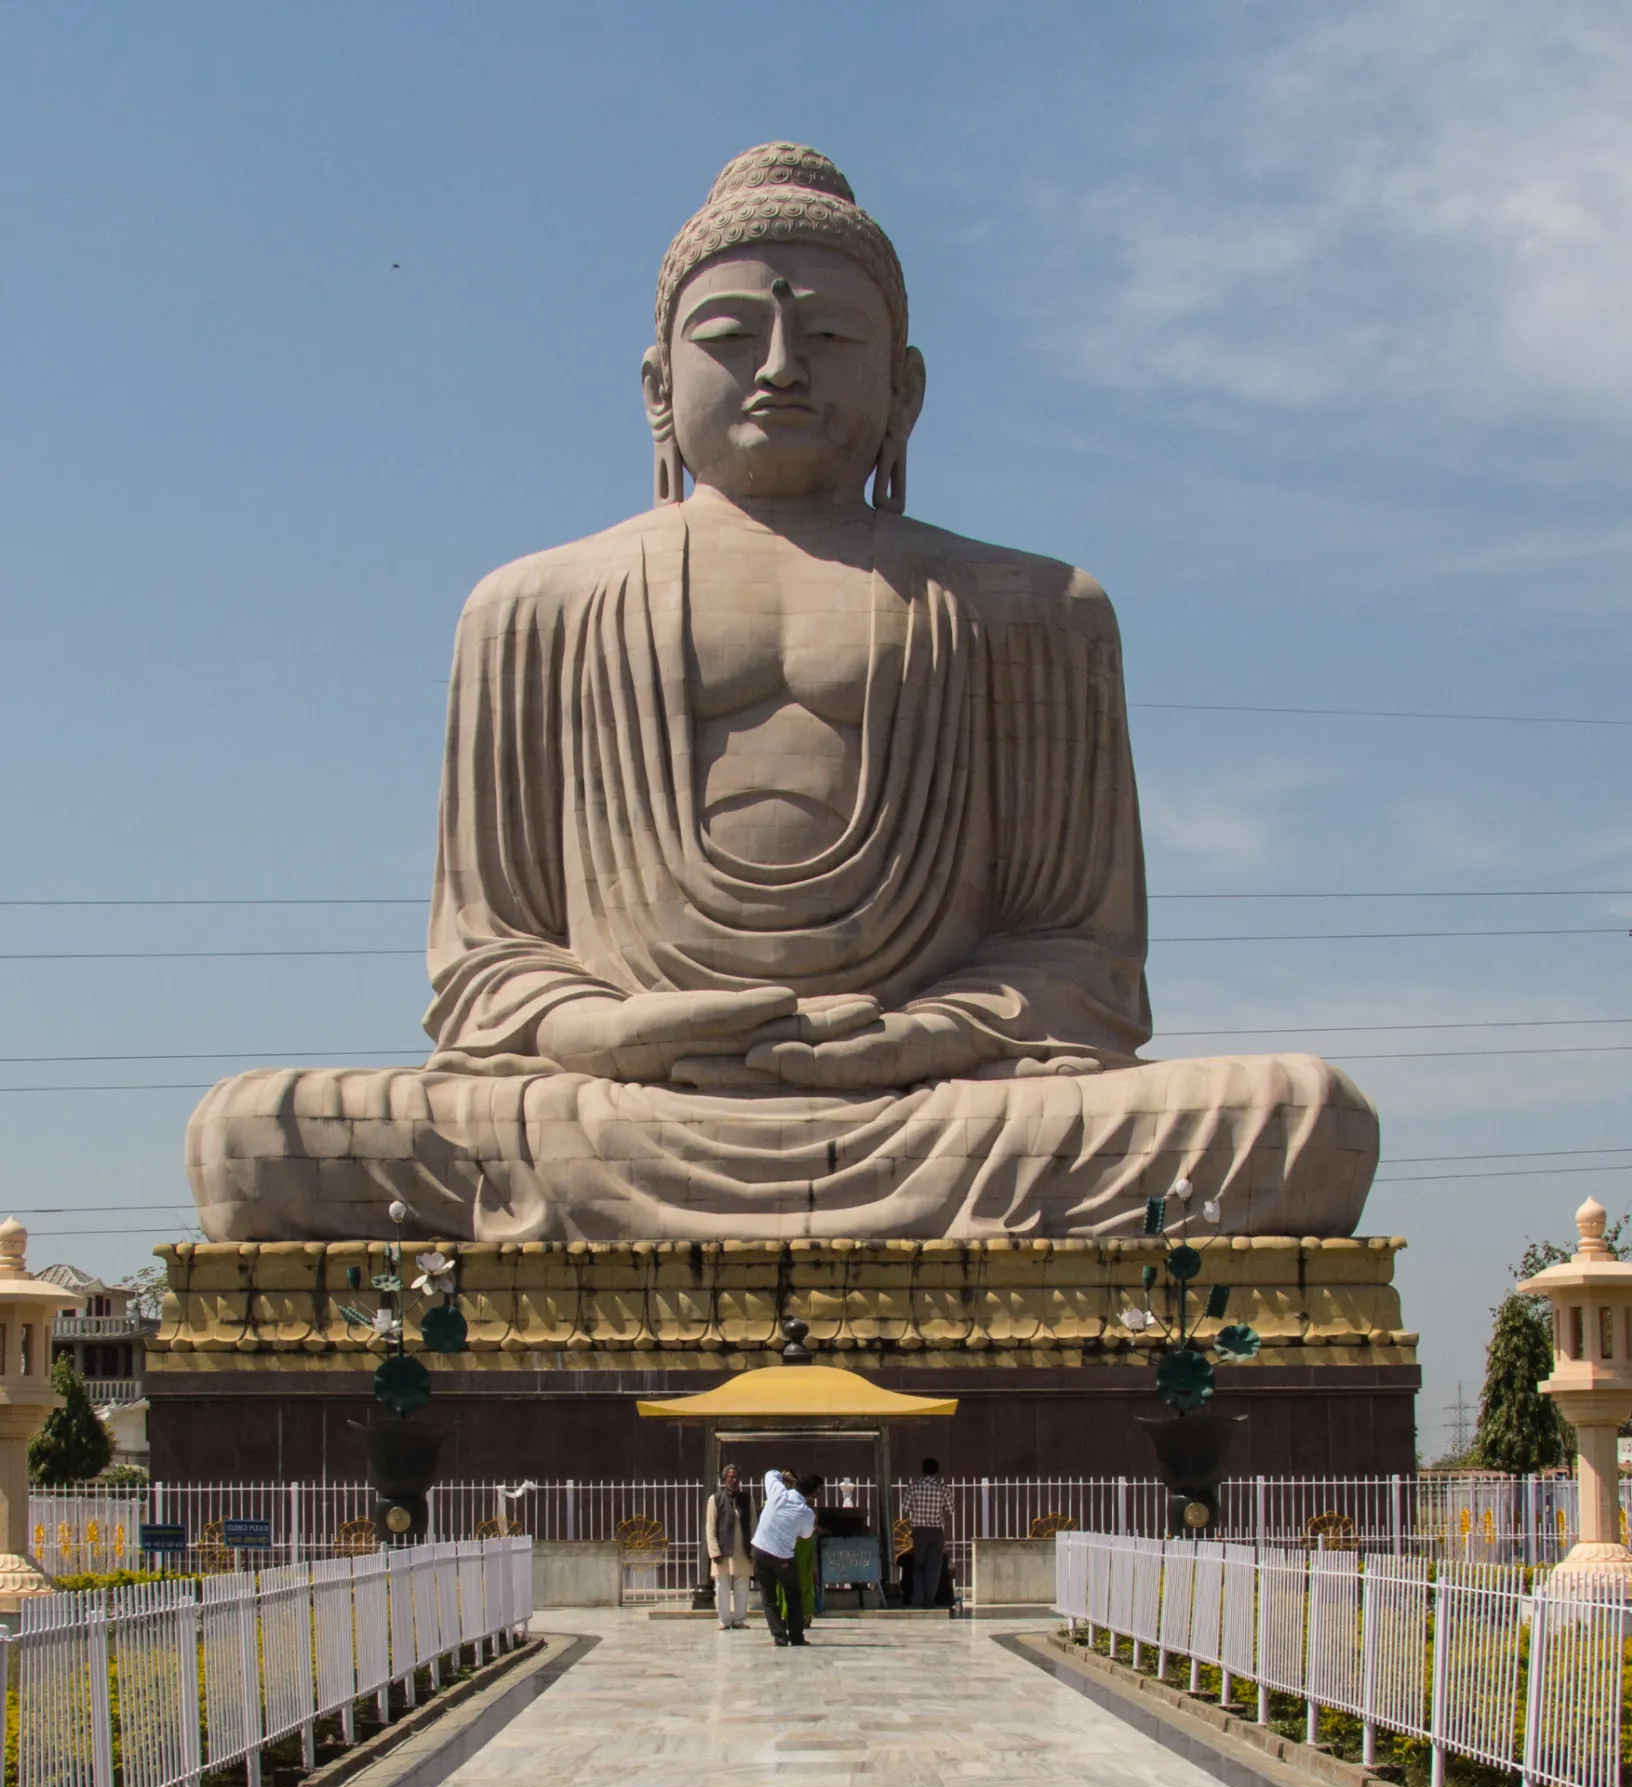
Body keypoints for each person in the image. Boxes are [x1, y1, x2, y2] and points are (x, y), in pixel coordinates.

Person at [188, 140, 1378, 1247]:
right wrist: (610, 1030)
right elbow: (490, 961)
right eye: (728, 335)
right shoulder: (529, 607)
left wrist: (913, 1039)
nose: (778, 368)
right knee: (251, 1140)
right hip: (619, 1103)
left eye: (829, 340)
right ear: (658, 385)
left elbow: (1080, 960)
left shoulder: (1039, 608)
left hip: (936, 1108)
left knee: (1303, 1119)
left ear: (905, 389)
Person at [751, 1467, 822, 1646]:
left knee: (768, 1598)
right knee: (793, 1595)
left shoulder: (778, 1493)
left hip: (759, 1551)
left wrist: (785, 1478)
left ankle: (780, 1637)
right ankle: (797, 1637)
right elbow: (806, 1535)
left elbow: (769, 1474)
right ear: (811, 1494)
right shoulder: (806, 1512)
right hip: (782, 1557)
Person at [705, 1462, 757, 1629]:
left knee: (742, 1586)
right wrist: (714, 1551)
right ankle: (724, 1620)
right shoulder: (715, 1499)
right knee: (722, 1587)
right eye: (731, 1477)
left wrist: (753, 1549)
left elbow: (754, 1525)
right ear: (724, 1479)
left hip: (742, 1550)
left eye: (736, 1477)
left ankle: (739, 1620)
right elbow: (710, 1527)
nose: (734, 1480)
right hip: (722, 1551)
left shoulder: (747, 1500)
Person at [903, 1457, 952, 1608]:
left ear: (923, 1470)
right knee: (934, 1568)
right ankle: (929, 1601)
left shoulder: (913, 1487)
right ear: (937, 1471)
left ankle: (918, 1597)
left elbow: (905, 1508)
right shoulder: (943, 1488)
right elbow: (950, 1510)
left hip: (919, 1532)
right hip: (936, 1531)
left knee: (918, 1566)